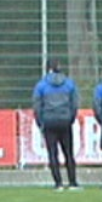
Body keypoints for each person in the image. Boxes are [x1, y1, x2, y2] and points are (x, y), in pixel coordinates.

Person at [33, 60, 81, 191]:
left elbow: (37, 106)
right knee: (68, 153)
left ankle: (58, 183)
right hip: (65, 121)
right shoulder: (69, 83)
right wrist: (70, 118)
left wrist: (40, 122)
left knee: (53, 153)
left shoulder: (41, 85)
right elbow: (75, 103)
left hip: (49, 121)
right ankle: (72, 182)